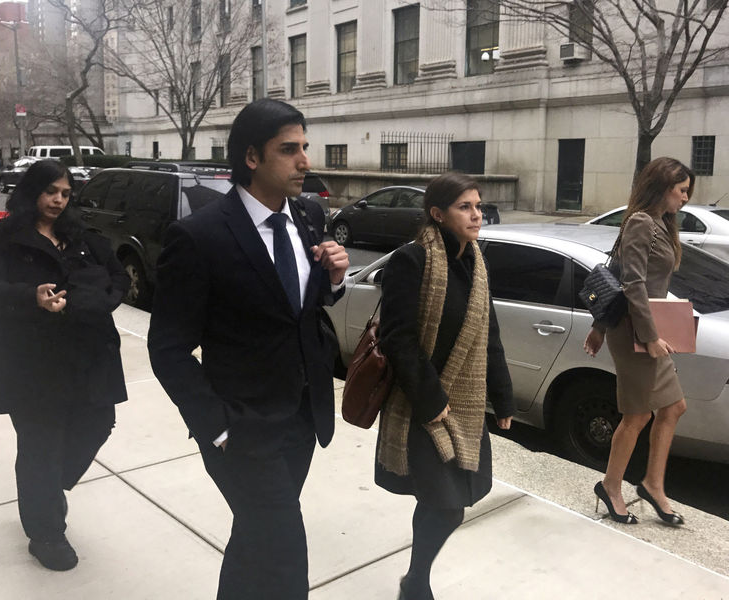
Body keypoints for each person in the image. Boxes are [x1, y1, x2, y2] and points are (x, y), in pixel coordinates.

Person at [147, 98, 349, 600]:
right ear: (252, 158)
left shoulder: (307, 214)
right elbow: (167, 349)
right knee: (284, 557)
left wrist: (335, 280)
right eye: (289, 150)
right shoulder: (199, 236)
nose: (305, 160)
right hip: (239, 428)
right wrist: (215, 427)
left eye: (305, 147)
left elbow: (294, 307)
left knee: (256, 541)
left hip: (301, 418)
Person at [0, 159, 130, 571]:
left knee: (98, 423)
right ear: (31, 192)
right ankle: (45, 533)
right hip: (30, 361)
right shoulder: (1, 238)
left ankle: (47, 486)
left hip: (87, 357)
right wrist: (31, 297)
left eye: (65, 193)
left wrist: (91, 301)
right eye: (50, 192)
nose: (58, 200)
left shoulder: (82, 237)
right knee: (40, 444)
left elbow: (118, 278)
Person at [376, 172, 515, 600]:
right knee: (445, 503)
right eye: (465, 207)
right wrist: (431, 399)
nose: (476, 215)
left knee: (448, 503)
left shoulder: (476, 262)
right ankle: (417, 583)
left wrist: (503, 395)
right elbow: (396, 337)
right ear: (437, 214)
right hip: (423, 405)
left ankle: (415, 578)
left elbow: (487, 333)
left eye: (478, 206)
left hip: (465, 404)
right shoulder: (412, 261)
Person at [584, 157, 692, 526]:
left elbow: (652, 284)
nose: (686, 199)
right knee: (638, 414)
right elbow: (631, 284)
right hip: (634, 333)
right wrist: (650, 337)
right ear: (663, 187)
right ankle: (612, 486)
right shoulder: (641, 222)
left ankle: (652, 484)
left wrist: (668, 325)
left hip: (653, 330)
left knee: (673, 406)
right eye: (682, 191)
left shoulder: (663, 223)